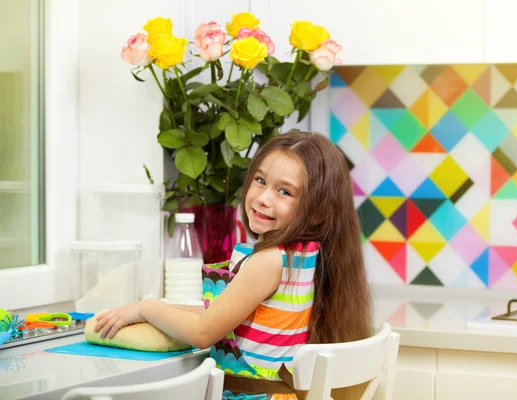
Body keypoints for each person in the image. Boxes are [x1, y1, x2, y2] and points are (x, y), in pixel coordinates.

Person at [94, 131, 372, 399]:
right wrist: (155, 307)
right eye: (261, 180)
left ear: (318, 210)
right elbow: (224, 311)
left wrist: (148, 308)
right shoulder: (302, 254)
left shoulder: (269, 260)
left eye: (285, 191)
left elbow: (204, 332)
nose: (264, 198)